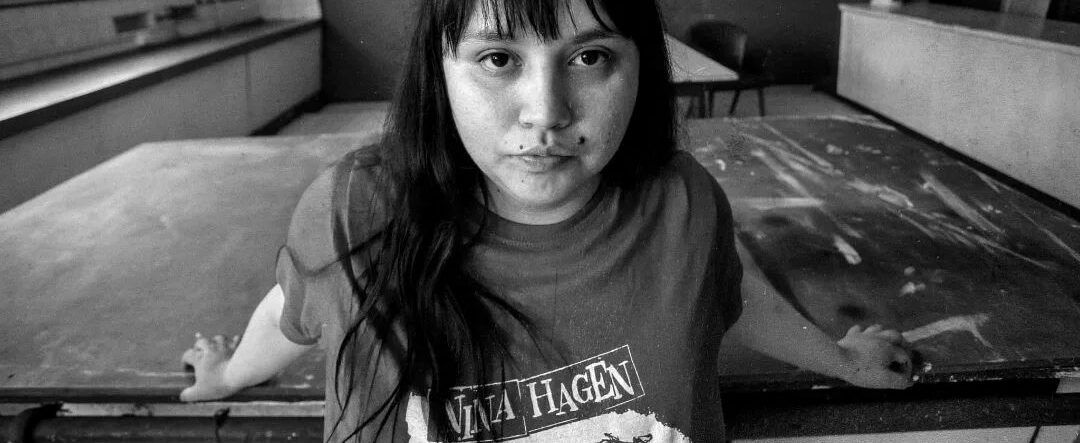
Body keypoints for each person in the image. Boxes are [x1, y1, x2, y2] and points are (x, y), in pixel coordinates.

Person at [180, 0, 915, 441]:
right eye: (499, 58)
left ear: (642, 68)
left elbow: (724, 287)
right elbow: (300, 305)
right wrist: (227, 375)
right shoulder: (354, 211)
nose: (547, 113)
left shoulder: (683, 203)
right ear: (440, 70)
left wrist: (840, 359)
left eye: (590, 56)